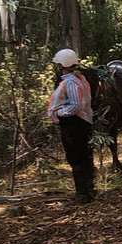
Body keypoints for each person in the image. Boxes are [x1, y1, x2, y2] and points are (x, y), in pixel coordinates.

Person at [47, 48, 96, 204]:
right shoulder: (80, 79)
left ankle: (82, 194)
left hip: (74, 123)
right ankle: (88, 189)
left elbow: (75, 106)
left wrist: (59, 113)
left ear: (61, 65)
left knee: (76, 158)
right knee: (85, 156)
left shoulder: (70, 81)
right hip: (81, 122)